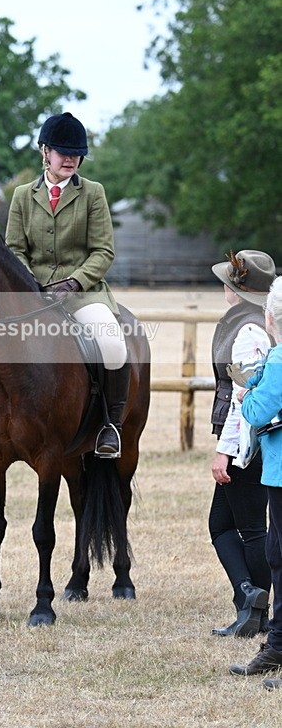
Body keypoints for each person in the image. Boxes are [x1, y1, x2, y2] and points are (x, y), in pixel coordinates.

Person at [0, 112, 129, 458]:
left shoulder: (93, 193)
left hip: (82, 293)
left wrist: (73, 283)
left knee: (112, 344)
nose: (70, 159)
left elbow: (103, 250)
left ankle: (110, 425)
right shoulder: (23, 195)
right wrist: (29, 284)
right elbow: (14, 249)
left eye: (76, 153)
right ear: (45, 151)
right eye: (62, 152)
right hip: (28, 294)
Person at [208, 250, 275, 638]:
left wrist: (226, 451)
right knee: (222, 524)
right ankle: (250, 602)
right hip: (244, 440)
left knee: (249, 528)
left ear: (238, 287)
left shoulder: (248, 330)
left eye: (229, 281)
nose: (223, 286)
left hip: (246, 442)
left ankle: (259, 611)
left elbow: (243, 398)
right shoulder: (248, 322)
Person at [229, 275, 282, 689]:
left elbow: (256, 410)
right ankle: (278, 643)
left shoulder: (278, 360)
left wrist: (248, 389)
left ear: (270, 317)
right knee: (276, 552)